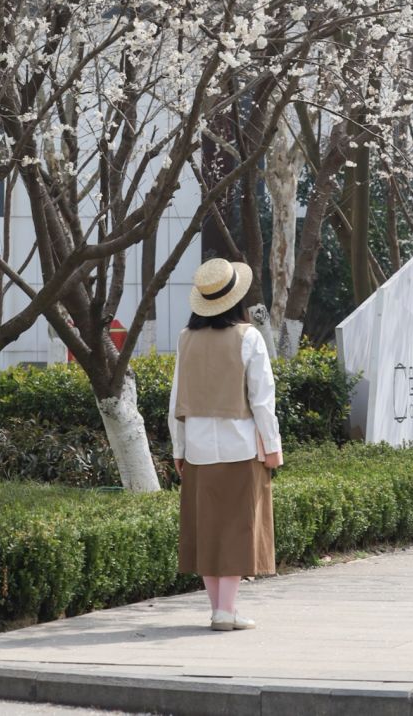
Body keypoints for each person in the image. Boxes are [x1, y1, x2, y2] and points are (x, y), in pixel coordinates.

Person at [169, 256, 283, 631]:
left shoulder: (186, 339)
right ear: (235, 298)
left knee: (206, 529)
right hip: (241, 446)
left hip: (199, 449)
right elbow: (262, 398)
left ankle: (220, 609)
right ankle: (226, 610)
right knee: (235, 528)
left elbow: (176, 402)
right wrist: (272, 444)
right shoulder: (248, 337)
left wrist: (179, 449)